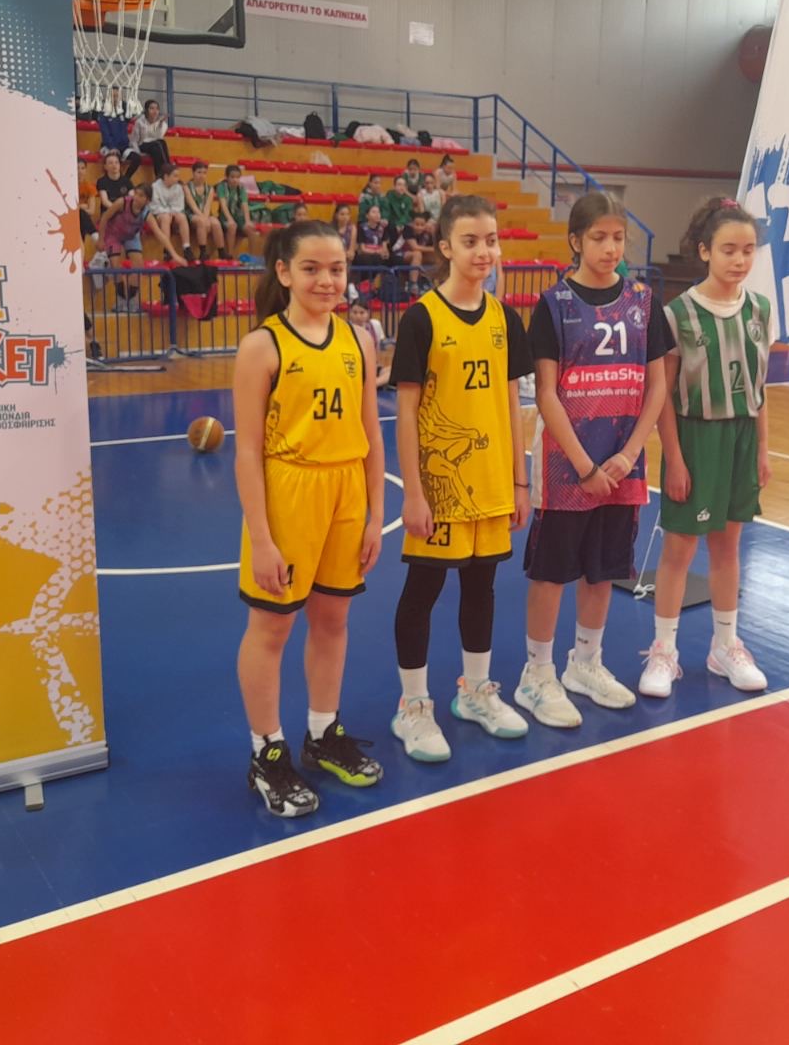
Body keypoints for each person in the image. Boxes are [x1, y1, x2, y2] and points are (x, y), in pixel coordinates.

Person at [232, 219, 386, 816]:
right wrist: (262, 538)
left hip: (346, 491)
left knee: (333, 619)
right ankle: (266, 752)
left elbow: (372, 431)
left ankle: (322, 732)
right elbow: (248, 452)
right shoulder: (262, 346)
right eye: (312, 269)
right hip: (289, 492)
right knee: (272, 627)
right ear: (284, 273)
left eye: (337, 269)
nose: (326, 280)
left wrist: (374, 514)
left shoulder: (360, 339)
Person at [518, 191, 671, 726]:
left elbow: (657, 385)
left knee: (603, 569)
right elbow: (546, 392)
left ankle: (585, 662)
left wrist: (630, 453)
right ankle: (536, 673)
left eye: (618, 238)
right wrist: (584, 466)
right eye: (599, 237)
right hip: (567, 466)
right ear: (575, 241)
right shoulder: (554, 305)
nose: (611, 248)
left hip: (622, 463)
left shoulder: (643, 303)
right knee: (551, 571)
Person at [390, 194, 534, 761]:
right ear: (446, 246)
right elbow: (406, 413)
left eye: (491, 240)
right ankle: (412, 705)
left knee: (482, 588)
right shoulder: (422, 318)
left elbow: (511, 403)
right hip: (442, 486)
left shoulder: (505, 318)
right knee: (423, 591)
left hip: (492, 482)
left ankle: (475, 691)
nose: (484, 251)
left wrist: (520, 481)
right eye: (470, 241)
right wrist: (414, 491)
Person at [640, 198, 772, 699]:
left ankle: (725, 646)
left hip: (742, 437)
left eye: (748, 250)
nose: (739, 260)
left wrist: (763, 450)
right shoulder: (678, 314)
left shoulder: (759, 310)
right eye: (728, 250)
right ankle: (664, 651)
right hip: (696, 438)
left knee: (727, 547)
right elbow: (663, 396)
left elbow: (761, 388)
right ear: (704, 251)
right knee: (679, 550)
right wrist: (673, 457)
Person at [146, 162, 193, 262]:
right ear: (166, 176)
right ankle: (167, 249)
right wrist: (167, 212)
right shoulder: (155, 187)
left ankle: (186, 247)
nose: (177, 178)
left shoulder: (178, 187)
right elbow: (154, 206)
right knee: (165, 218)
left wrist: (173, 211)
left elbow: (179, 205)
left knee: (182, 217)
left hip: (173, 213)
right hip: (158, 214)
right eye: (175, 176)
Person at [214, 164, 259, 257]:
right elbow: (223, 205)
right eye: (232, 177)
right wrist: (230, 219)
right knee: (232, 226)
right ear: (226, 177)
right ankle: (229, 255)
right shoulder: (221, 187)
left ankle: (252, 257)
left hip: (238, 216)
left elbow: (244, 205)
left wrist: (247, 221)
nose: (235, 180)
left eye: (238, 177)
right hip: (224, 216)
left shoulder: (241, 188)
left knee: (250, 229)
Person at [346, 300, 392, 387]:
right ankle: (369, 385)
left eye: (362, 313)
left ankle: (372, 384)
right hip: (354, 369)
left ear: (368, 313)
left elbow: (377, 348)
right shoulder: (345, 328)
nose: (358, 316)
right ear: (350, 313)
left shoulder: (375, 325)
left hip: (372, 367)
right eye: (354, 312)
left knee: (394, 370)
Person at [183, 162, 223, 259]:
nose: (202, 175)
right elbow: (193, 206)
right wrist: (204, 219)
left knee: (216, 223)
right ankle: (203, 252)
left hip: (205, 214)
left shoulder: (210, 188)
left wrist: (206, 218)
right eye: (199, 172)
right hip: (191, 214)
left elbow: (207, 207)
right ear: (193, 173)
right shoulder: (186, 187)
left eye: (204, 173)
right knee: (201, 221)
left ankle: (221, 251)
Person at [97, 85, 139, 174]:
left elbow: (136, 116)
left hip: (123, 147)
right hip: (108, 147)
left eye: (117, 97)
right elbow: (105, 134)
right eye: (113, 96)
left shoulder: (123, 113)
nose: (115, 99)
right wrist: (112, 147)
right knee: (114, 160)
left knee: (137, 158)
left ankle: (126, 179)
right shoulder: (103, 114)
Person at [94, 150, 134, 237]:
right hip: (108, 212)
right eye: (110, 163)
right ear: (105, 166)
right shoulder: (102, 181)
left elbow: (132, 198)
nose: (114, 165)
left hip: (124, 212)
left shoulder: (126, 181)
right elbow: (105, 201)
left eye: (116, 162)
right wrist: (117, 210)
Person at [129, 99, 172, 172]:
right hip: (141, 145)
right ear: (146, 110)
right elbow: (134, 140)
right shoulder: (140, 122)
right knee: (158, 144)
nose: (155, 111)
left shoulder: (162, 124)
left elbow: (159, 137)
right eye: (152, 108)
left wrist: (160, 125)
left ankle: (162, 173)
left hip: (155, 146)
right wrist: (138, 153)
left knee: (160, 144)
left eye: (157, 109)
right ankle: (167, 170)